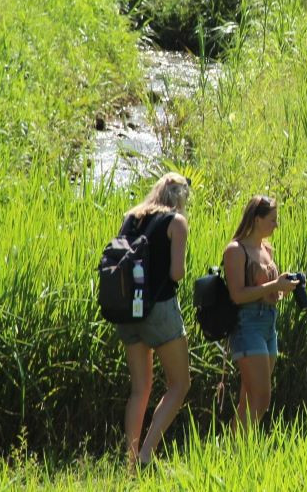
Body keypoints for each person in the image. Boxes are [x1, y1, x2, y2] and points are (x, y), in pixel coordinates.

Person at [115, 172, 192, 470]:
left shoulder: (130, 217)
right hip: (159, 309)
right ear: (181, 196)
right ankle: (147, 454)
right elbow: (176, 274)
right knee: (180, 384)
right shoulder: (176, 222)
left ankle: (130, 461)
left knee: (140, 388)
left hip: (127, 310)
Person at [223, 195, 299, 433]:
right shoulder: (236, 250)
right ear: (257, 219)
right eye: (273, 220)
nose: (276, 225)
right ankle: (237, 449)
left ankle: (234, 450)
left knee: (249, 398)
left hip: (268, 324)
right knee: (262, 399)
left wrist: (282, 288)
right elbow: (237, 295)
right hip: (247, 326)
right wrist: (274, 286)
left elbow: (266, 290)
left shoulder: (266, 249)